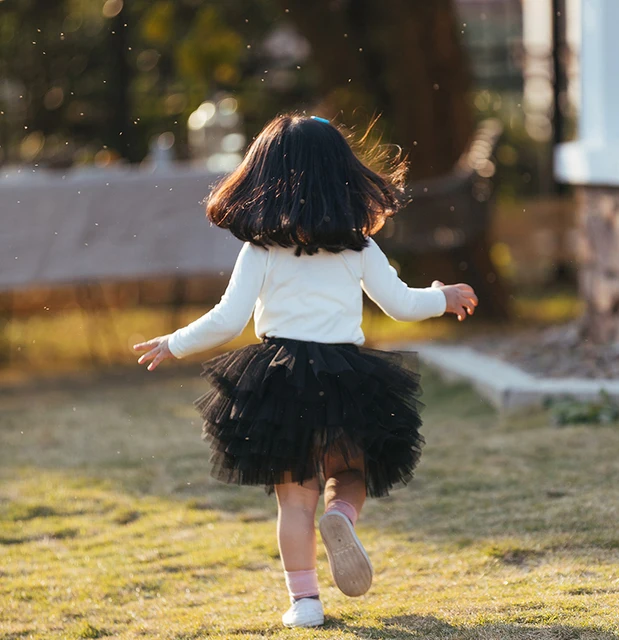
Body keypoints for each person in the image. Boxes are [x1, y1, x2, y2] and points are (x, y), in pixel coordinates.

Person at [134, 113, 478, 628]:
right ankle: (340, 519)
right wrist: (442, 296)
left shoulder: (260, 250)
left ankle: (305, 603)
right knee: (351, 473)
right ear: (345, 178)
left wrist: (173, 342)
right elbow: (401, 305)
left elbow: (227, 321)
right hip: (347, 379)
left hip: (279, 379)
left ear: (261, 177)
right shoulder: (359, 247)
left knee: (293, 502)